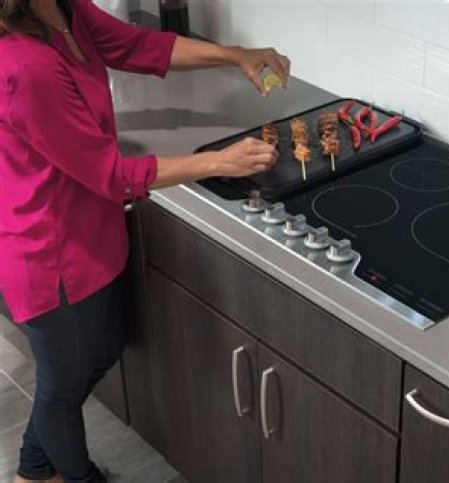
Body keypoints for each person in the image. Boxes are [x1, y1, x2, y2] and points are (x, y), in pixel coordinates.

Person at [0, 0, 290, 481]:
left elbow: (139, 45)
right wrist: (216, 161)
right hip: (51, 254)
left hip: (91, 231)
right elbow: (108, 173)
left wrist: (234, 55)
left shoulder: (67, 11)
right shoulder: (23, 65)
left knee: (99, 352)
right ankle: (66, 475)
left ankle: (34, 469)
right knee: (63, 387)